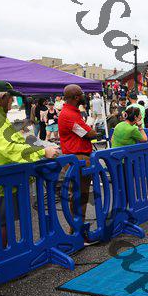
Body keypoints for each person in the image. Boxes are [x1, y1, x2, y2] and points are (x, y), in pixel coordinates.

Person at [0, 81, 59, 255]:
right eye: (11, 98)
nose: (12, 102)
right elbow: (9, 147)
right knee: (1, 223)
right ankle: (0, 262)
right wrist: (42, 152)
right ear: (3, 97)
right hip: (1, 182)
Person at [58, 84, 98, 238]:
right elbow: (88, 134)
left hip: (77, 157)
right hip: (77, 158)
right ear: (76, 97)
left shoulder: (71, 112)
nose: (84, 96)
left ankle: (76, 231)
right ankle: (77, 232)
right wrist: (92, 131)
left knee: (79, 196)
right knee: (79, 196)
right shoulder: (69, 115)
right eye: (81, 94)